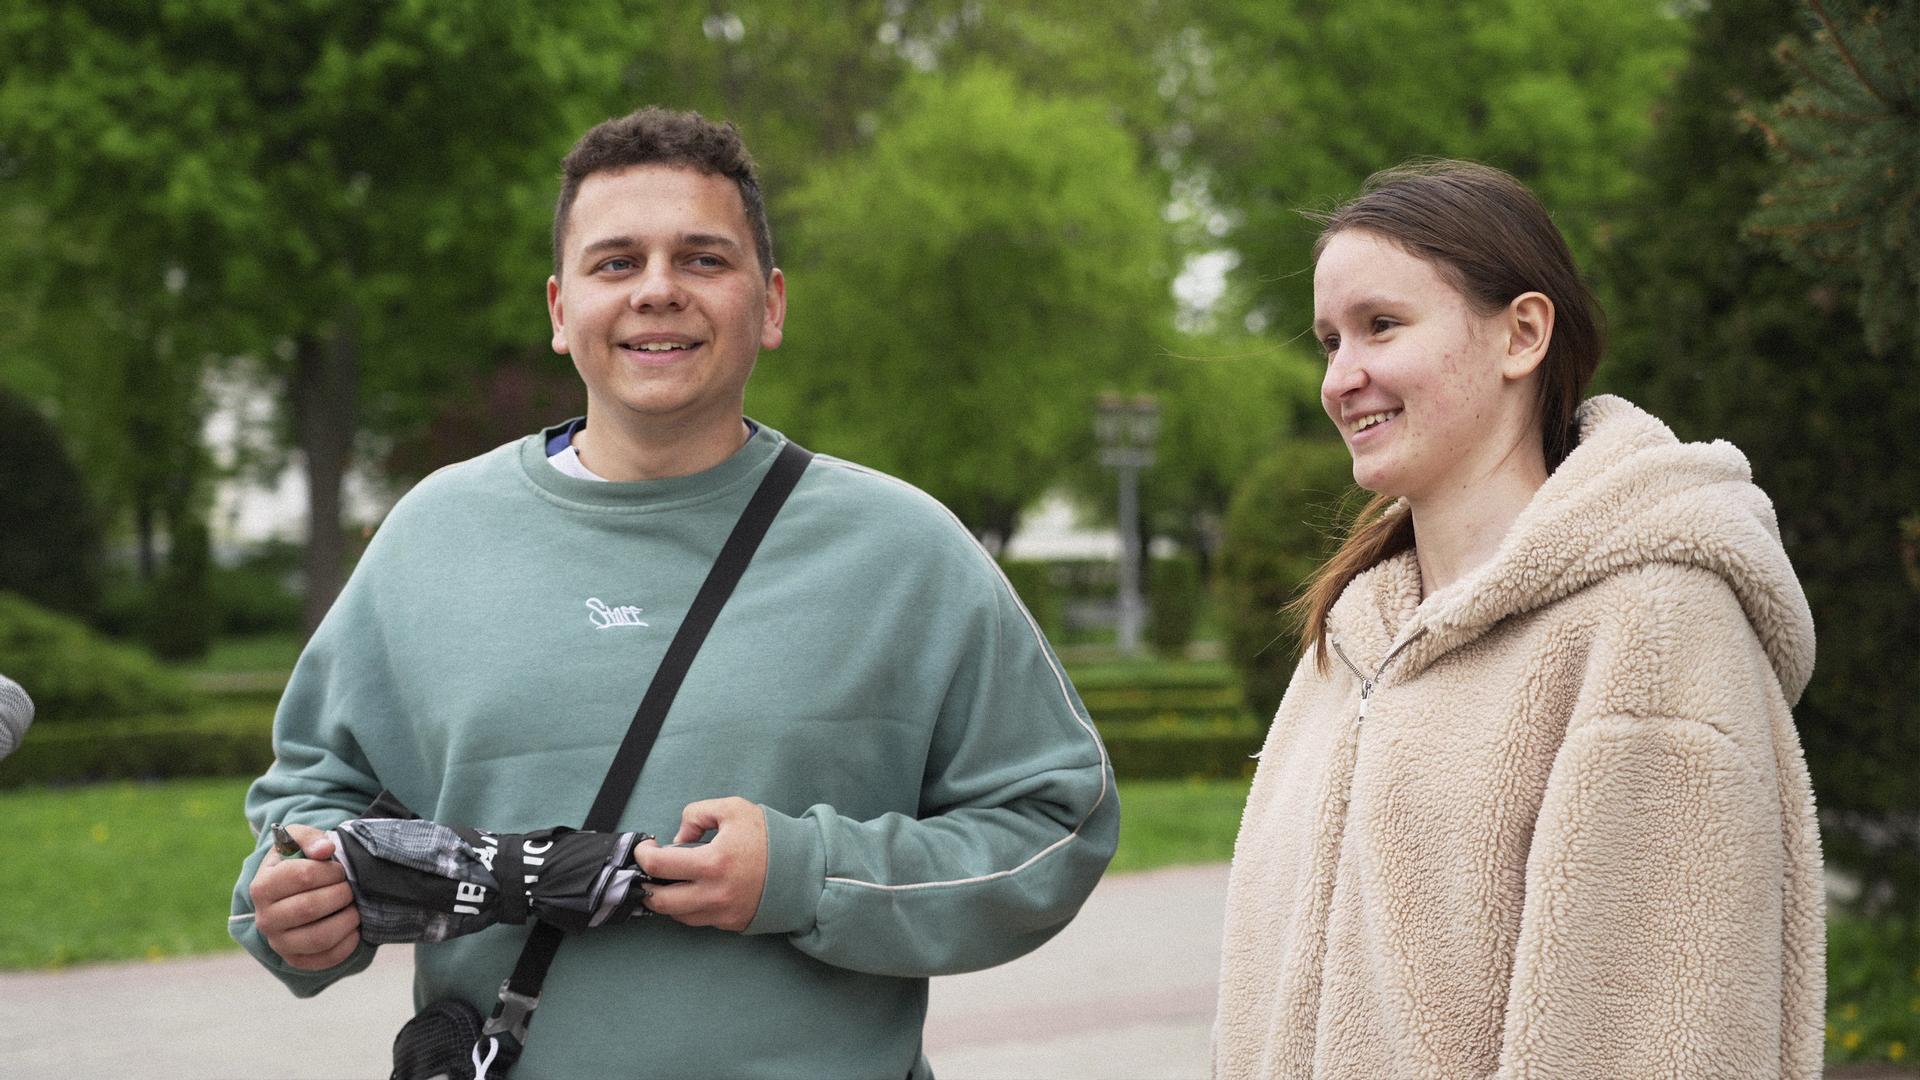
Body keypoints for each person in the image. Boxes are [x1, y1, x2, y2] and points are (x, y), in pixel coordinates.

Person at [228, 106, 1118, 1078]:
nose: (658, 291)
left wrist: (807, 876)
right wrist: (296, 908)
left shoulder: (906, 552)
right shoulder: (431, 537)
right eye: (617, 264)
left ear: (770, 304)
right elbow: (313, 800)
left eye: (703, 260)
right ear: (561, 311)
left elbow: (1055, 824)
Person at [1213, 161, 1823, 1079]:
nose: (1343, 377)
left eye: (1381, 325)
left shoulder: (1652, 628)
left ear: (1522, 334)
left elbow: (1654, 1044)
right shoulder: (1351, 639)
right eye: (1329, 341)